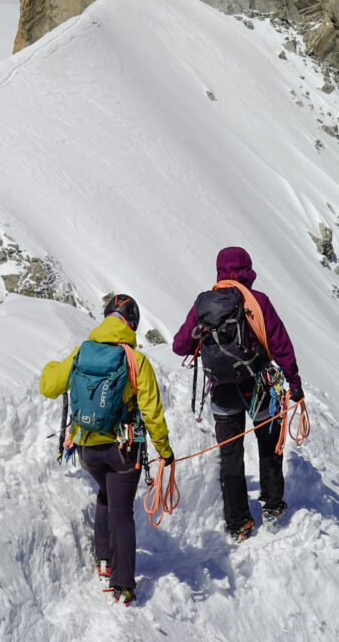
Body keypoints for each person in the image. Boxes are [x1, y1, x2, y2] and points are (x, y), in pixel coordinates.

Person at [39, 294, 173, 605]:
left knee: (106, 494)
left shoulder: (81, 353)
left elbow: (49, 386)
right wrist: (165, 451)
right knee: (122, 511)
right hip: (122, 450)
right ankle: (123, 583)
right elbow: (152, 413)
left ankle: (104, 560)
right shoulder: (135, 361)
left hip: (86, 448)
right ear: (132, 324)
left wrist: (50, 366)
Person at [173, 246, 304, 540]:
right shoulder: (257, 302)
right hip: (258, 384)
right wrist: (294, 384)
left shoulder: (204, 304)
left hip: (221, 390)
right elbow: (281, 345)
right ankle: (272, 506)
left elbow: (180, 346)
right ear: (247, 270)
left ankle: (238, 522)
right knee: (270, 443)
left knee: (230, 454)